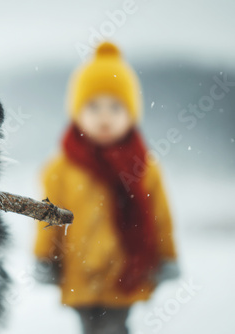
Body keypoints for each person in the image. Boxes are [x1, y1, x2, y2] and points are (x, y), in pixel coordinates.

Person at [33, 41, 179, 334]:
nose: (104, 116)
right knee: (90, 327)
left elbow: (160, 215)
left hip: (123, 272)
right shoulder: (61, 168)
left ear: (131, 114)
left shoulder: (144, 167)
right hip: (79, 271)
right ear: (77, 111)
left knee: (113, 327)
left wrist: (166, 256)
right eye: (93, 106)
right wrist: (44, 257)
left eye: (115, 107)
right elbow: (47, 215)